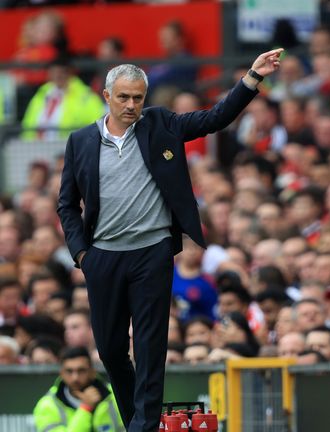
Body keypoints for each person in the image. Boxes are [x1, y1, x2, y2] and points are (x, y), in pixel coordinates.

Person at [57, 48, 283, 431]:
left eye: (138, 97)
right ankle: (136, 418)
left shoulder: (161, 124)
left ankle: (143, 426)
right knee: (111, 350)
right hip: (103, 257)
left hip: (152, 252)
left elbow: (216, 118)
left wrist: (252, 78)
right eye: (124, 97)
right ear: (106, 96)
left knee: (149, 346)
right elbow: (67, 204)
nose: (131, 105)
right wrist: (82, 254)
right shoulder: (81, 141)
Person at [33, 346, 123, 431]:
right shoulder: (47, 405)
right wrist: (86, 408)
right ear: (61, 374)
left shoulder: (116, 396)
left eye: (81, 370)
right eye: (69, 371)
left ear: (92, 372)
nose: (75, 377)